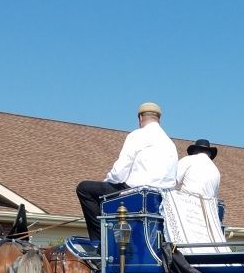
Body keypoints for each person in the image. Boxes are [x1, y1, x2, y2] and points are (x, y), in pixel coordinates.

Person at [76, 101, 178, 240]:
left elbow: (118, 174)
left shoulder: (138, 135)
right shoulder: (170, 144)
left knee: (84, 189)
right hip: (161, 200)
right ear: (159, 119)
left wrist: (107, 183)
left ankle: (99, 242)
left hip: (136, 194)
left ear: (140, 118)